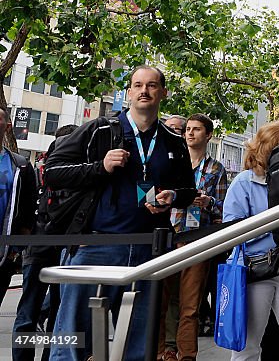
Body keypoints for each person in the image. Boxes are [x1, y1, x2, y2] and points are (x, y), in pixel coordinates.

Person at [47, 65, 198, 361]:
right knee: (73, 341)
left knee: (138, 345)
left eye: (152, 85)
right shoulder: (100, 129)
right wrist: (99, 167)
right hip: (96, 246)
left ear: (163, 93)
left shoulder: (173, 142)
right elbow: (52, 172)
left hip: (148, 251)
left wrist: (173, 196)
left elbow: (189, 191)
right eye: (138, 85)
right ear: (129, 92)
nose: (144, 91)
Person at [223, 120, 279, 361]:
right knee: (247, 346)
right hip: (254, 269)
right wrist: (274, 225)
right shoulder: (244, 182)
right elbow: (232, 231)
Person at [158, 114, 228, 361]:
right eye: (187, 129)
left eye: (196, 129)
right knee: (163, 299)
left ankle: (187, 355)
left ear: (208, 135)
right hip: (169, 236)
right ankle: (164, 352)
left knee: (191, 305)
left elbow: (224, 209)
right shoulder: (171, 162)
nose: (189, 133)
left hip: (198, 240)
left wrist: (209, 202)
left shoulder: (216, 168)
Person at [13, 124, 75, 361]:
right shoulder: (39, 171)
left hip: (43, 248)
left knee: (32, 312)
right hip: (56, 247)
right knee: (56, 314)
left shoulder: (41, 169)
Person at [0, 107, 37, 307]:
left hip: (4, 252)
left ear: (7, 127)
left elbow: (28, 205)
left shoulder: (19, 165)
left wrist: (17, 247)